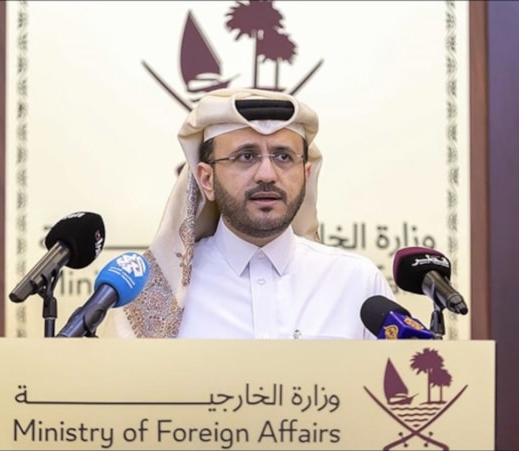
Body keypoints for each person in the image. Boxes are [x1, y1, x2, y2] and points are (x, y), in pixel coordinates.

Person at [103, 88, 396, 339]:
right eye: (246, 156)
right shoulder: (156, 297)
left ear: (306, 175)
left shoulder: (357, 282)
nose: (267, 174)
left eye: (283, 157)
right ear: (206, 179)